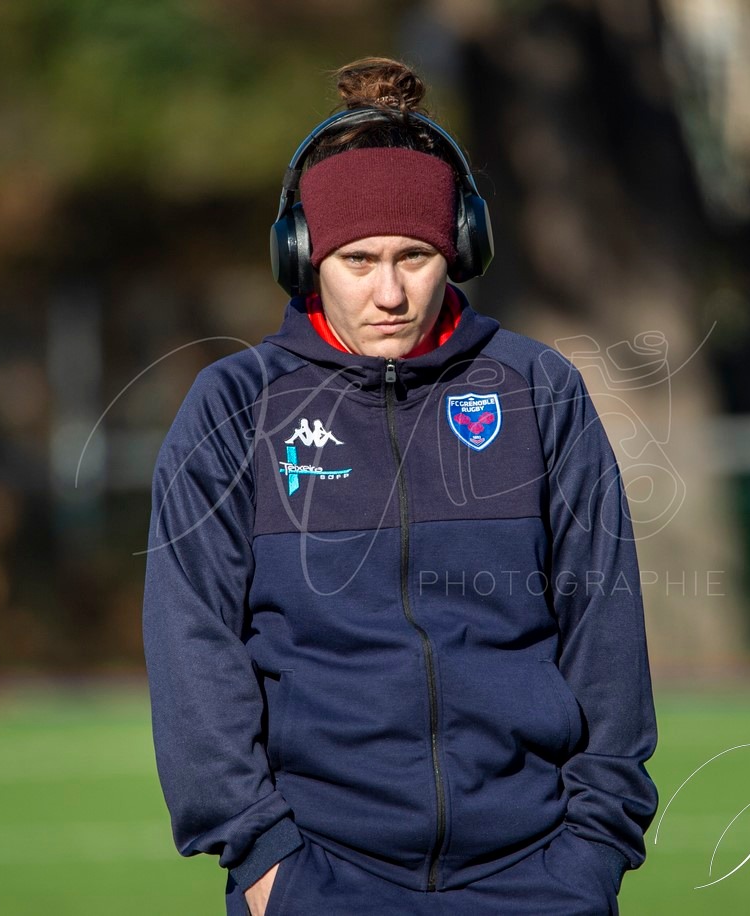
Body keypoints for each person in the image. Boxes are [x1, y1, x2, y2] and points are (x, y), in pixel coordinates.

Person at [142, 57, 658, 916]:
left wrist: (596, 848)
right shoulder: (235, 407)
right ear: (304, 257)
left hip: (541, 880)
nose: (389, 292)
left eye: (415, 257)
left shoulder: (538, 391)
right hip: (317, 881)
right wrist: (266, 863)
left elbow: (605, 630)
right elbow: (191, 645)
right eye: (358, 260)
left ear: (458, 247)